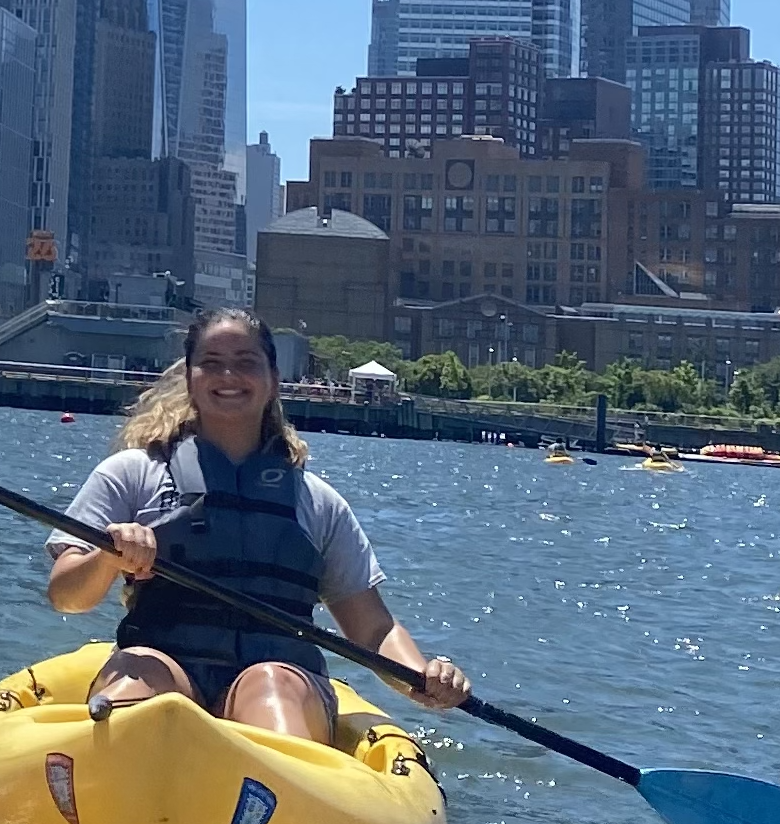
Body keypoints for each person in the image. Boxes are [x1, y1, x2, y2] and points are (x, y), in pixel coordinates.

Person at [45, 305, 469, 744]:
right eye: (211, 364)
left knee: (269, 687)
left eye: (246, 363)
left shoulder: (318, 503)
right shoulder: (132, 474)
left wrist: (423, 676)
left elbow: (373, 630)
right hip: (165, 665)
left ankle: (277, 785)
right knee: (139, 676)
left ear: (273, 380)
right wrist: (106, 558)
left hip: (282, 676)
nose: (228, 375)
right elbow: (66, 596)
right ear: (189, 377)